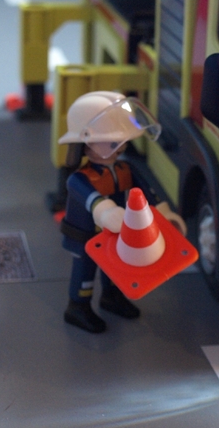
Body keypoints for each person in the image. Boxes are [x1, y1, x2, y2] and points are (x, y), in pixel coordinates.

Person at [58, 91, 186, 333]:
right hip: (85, 235)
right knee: (85, 272)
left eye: (123, 141)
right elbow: (92, 200)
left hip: (116, 233)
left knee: (115, 268)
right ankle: (78, 306)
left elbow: (147, 192)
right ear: (86, 142)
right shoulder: (79, 179)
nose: (121, 147)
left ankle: (112, 296)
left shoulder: (125, 169)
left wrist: (164, 214)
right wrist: (106, 212)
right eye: (113, 142)